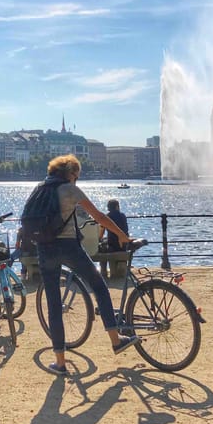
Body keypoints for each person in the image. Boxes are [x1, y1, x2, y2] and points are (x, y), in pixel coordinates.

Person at [37, 154, 139, 375]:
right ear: (71, 173)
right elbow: (99, 216)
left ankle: (60, 363)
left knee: (54, 304)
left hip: (44, 248)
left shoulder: (40, 188)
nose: (77, 178)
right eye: (77, 175)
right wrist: (121, 235)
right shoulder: (70, 190)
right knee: (99, 286)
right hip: (68, 246)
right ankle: (115, 339)